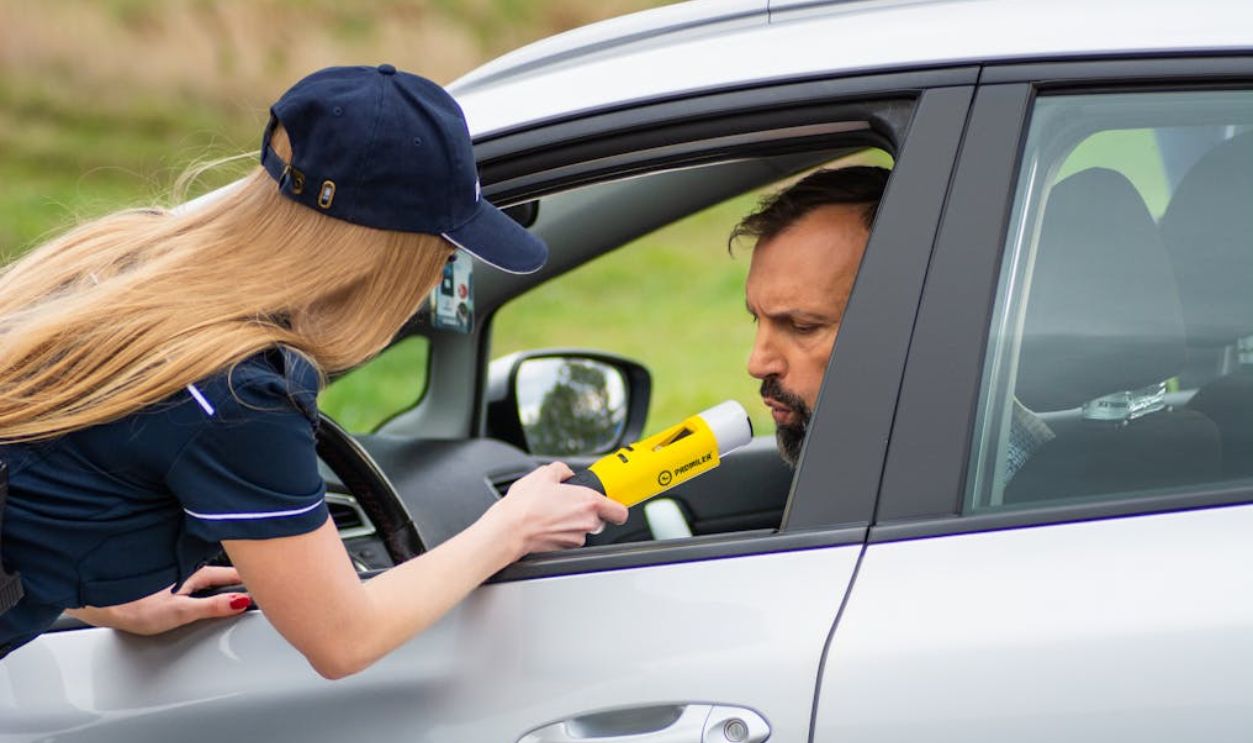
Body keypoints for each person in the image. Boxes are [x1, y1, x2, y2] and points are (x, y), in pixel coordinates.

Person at [0, 64, 628, 674]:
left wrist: (93, 588)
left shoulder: (120, 260)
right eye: (440, 253)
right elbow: (344, 638)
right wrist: (512, 528)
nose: (438, 276)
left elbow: (46, 481)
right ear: (380, 252)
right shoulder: (237, 394)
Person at [735, 166, 1053, 472]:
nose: (757, 363)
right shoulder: (889, 469)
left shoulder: (975, 502)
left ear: (916, 324)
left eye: (803, 327)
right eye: (756, 319)